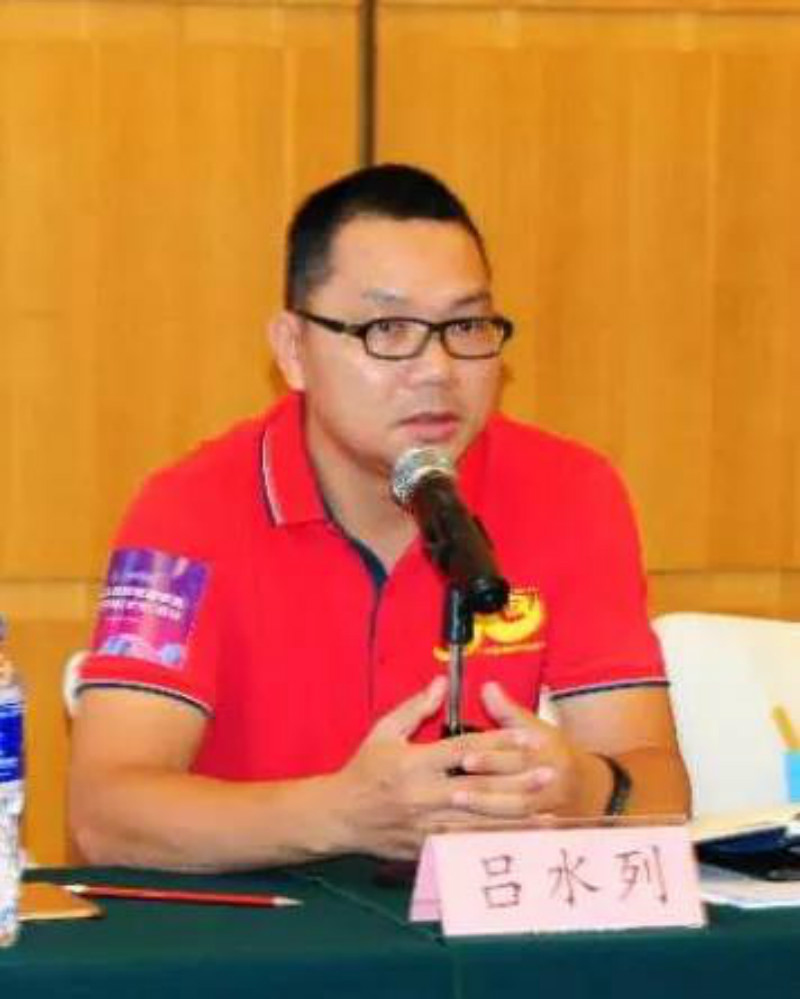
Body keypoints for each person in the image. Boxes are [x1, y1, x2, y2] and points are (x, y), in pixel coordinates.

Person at [69, 164, 690, 871]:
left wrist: (584, 790)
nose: (438, 369)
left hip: (484, 923)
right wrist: (342, 816)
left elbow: (660, 789)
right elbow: (106, 815)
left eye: (466, 325)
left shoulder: (572, 492)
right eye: (388, 329)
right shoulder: (184, 513)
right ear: (293, 350)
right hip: (261, 924)